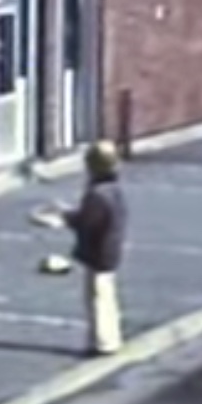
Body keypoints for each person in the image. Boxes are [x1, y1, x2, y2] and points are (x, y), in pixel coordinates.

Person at [63, 140, 128, 357]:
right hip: (111, 249)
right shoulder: (114, 190)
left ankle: (103, 342)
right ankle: (110, 338)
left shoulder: (97, 194)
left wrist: (67, 217)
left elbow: (87, 222)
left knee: (97, 298)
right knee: (107, 296)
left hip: (98, 252)